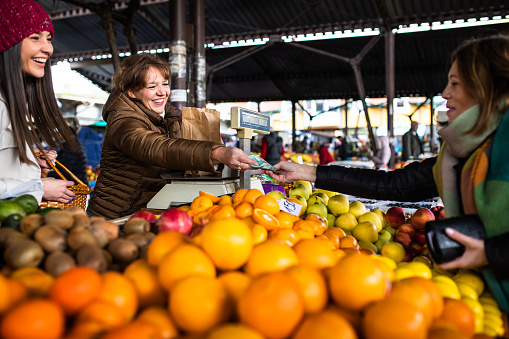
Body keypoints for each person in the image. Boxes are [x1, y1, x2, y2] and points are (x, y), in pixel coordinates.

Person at [265, 35, 509, 311]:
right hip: (478, 296)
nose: (444, 93)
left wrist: (491, 252)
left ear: (487, 87)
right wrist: (306, 171)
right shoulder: (459, 154)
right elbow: (393, 185)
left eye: (455, 83)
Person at [87, 53, 256, 219]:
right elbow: (157, 148)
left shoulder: (167, 116)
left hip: (144, 211)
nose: (162, 92)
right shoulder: (123, 121)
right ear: (132, 92)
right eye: (152, 87)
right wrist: (217, 153)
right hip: (113, 216)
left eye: (165, 84)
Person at [0, 0, 77, 204]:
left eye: (49, 38)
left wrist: (25, 158)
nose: (48, 48)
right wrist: (37, 187)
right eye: (35, 38)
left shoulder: (11, 101)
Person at [46, 116, 88, 185]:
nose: (58, 131)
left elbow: (65, 170)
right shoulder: (73, 143)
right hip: (77, 187)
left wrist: (48, 175)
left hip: (76, 189)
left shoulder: (72, 146)